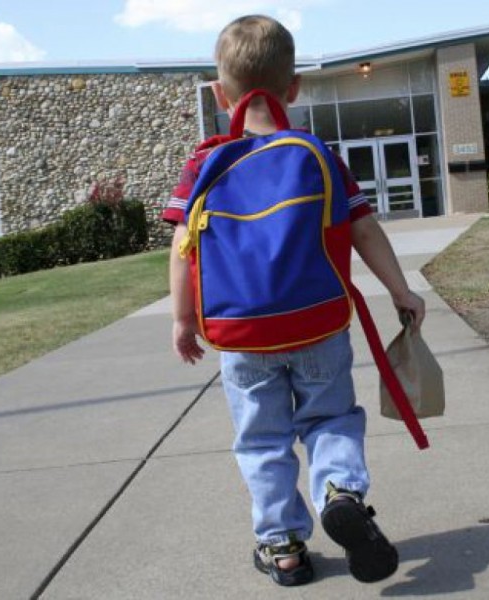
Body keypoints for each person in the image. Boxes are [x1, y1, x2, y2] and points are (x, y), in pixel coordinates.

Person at [163, 14, 426, 587]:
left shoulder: (203, 164)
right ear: (295, 88)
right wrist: (400, 291)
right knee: (331, 417)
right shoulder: (318, 155)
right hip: (318, 327)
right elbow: (364, 230)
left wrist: (184, 320)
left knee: (262, 440)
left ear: (218, 92)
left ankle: (282, 546)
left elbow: (183, 249)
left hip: (241, 337)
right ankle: (340, 489)